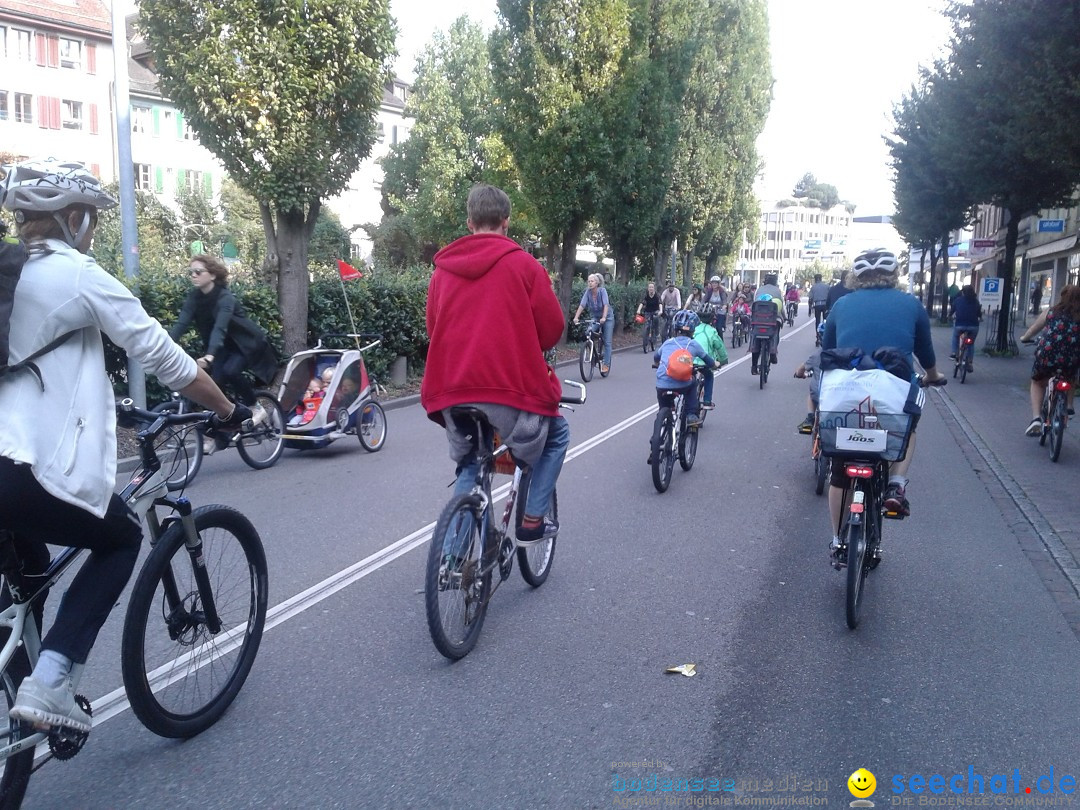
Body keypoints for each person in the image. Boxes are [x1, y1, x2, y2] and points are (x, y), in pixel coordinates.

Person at [0, 158, 249, 733]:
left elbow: (40, 371)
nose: (92, 229)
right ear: (72, 217)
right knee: (120, 537)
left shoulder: (8, 276)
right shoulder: (77, 274)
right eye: (89, 218)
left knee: (27, 590)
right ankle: (53, 681)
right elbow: (165, 359)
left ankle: (20, 700)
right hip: (25, 467)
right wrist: (229, 411)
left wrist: (103, 404)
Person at [421, 184, 568, 543]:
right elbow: (551, 330)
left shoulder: (443, 271)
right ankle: (532, 520)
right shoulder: (524, 265)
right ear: (506, 222)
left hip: (451, 389)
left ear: (470, 222)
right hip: (506, 390)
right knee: (557, 435)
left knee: (472, 461)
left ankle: (454, 560)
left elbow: (432, 327)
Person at [821, 248, 945, 558]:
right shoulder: (911, 304)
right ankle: (896, 484)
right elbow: (926, 354)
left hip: (848, 391)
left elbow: (828, 350)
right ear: (895, 275)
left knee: (839, 473)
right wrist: (932, 375)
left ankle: (838, 541)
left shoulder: (842, 304)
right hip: (893, 390)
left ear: (856, 277)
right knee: (907, 430)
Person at [168, 253, 277, 452]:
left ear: (212, 275)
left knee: (230, 371)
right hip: (221, 348)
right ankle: (222, 435)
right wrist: (163, 346)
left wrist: (209, 356)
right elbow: (181, 323)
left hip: (244, 345)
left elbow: (220, 327)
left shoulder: (225, 298)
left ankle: (255, 407)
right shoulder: (194, 298)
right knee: (214, 387)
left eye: (198, 272)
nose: (193, 275)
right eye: (190, 272)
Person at [1020, 285, 1080, 437]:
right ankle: (1069, 405)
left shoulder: (1051, 311)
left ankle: (1036, 419)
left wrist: (1024, 338)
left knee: (1037, 382)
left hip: (1048, 356)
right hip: (1070, 359)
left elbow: (1034, 329)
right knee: (1071, 376)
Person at [652, 310, 718, 430]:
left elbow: (656, 357)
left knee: (663, 405)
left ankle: (661, 423)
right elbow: (710, 362)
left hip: (662, 384)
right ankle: (691, 415)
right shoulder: (694, 344)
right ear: (693, 330)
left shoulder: (667, 343)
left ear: (675, 328)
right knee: (693, 383)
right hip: (683, 384)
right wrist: (715, 364)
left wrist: (657, 364)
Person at [573, 273, 613, 375]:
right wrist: (576, 317)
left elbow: (606, 305)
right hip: (595, 317)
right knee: (588, 332)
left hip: (607, 318)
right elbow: (582, 305)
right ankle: (591, 351)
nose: (590, 283)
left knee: (607, 342)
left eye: (592, 281)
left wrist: (604, 317)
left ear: (597, 282)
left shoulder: (602, 291)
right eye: (589, 281)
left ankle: (606, 364)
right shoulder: (588, 292)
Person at [692, 304, 728, 409]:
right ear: (712, 318)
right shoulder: (712, 331)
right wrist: (723, 360)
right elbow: (720, 347)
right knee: (709, 376)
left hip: (689, 360)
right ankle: (707, 401)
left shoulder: (693, 328)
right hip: (705, 362)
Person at [749, 272, 784, 373]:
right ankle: (773, 351)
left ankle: (754, 366)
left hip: (758, 319)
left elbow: (754, 304)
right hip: (773, 320)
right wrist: (784, 317)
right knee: (775, 332)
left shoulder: (759, 290)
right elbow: (782, 306)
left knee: (755, 337)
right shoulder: (778, 291)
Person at [949, 284, 982, 370]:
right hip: (973, 326)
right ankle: (970, 362)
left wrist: (949, 316)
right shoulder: (976, 301)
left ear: (962, 292)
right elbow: (979, 313)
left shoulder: (958, 300)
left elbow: (952, 311)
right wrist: (980, 318)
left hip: (960, 325)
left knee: (955, 337)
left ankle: (954, 353)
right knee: (971, 343)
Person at [637, 281, 661, 345]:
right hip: (647, 311)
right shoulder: (646, 295)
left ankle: (656, 332)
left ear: (654, 288)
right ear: (648, 288)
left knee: (656, 319)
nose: (651, 288)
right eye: (650, 287)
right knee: (646, 323)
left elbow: (660, 303)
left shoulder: (657, 295)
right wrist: (638, 310)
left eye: (652, 287)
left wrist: (661, 311)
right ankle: (645, 335)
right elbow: (642, 303)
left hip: (655, 311)